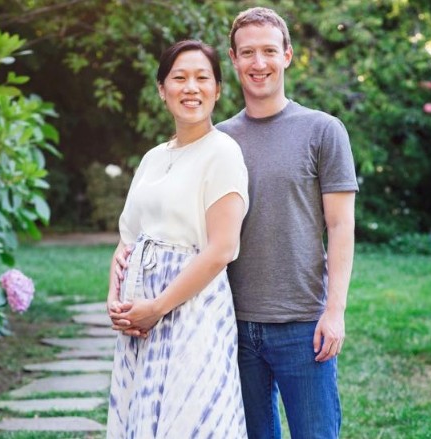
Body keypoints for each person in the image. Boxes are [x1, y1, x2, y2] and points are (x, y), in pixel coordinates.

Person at [215, 7, 358, 439]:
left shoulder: (323, 130)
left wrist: (334, 312)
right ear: (233, 59)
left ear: (288, 55)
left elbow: (341, 227)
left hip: (304, 326)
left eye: (269, 51)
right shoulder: (218, 140)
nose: (259, 63)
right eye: (247, 53)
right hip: (232, 324)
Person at [104, 39, 249, 439]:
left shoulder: (223, 153)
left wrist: (158, 307)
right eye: (179, 78)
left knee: (189, 421)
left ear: (217, 90)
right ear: (161, 89)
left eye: (202, 78)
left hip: (192, 310)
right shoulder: (152, 158)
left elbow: (222, 249)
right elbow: (128, 240)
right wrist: (116, 301)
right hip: (140, 317)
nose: (191, 88)